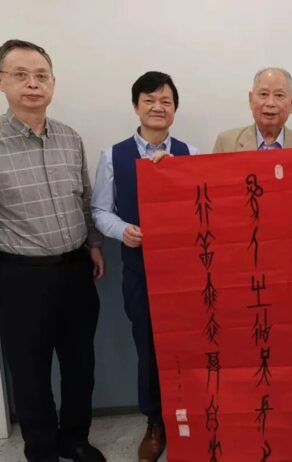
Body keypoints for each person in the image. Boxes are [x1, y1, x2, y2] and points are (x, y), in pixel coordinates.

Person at [0, 39, 105, 462]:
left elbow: (85, 198)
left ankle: (74, 438)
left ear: (53, 83)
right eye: (21, 75)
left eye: (41, 75)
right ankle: (41, 449)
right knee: (30, 373)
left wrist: (94, 245)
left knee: (81, 365)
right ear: (2, 81)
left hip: (76, 270)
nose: (33, 83)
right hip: (21, 276)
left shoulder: (69, 138)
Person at [91, 71, 198, 462]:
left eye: (166, 101)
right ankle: (155, 422)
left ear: (175, 110)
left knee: (191, 344)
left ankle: (195, 415)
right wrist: (122, 231)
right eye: (150, 100)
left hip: (186, 273)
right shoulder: (113, 155)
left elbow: (204, 208)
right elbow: (100, 210)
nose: (158, 107)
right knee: (149, 348)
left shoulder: (191, 154)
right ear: (136, 106)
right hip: (139, 270)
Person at [212, 67, 292, 208]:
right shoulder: (226, 143)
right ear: (251, 99)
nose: (270, 103)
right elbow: (215, 201)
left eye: (279, 95)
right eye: (263, 94)